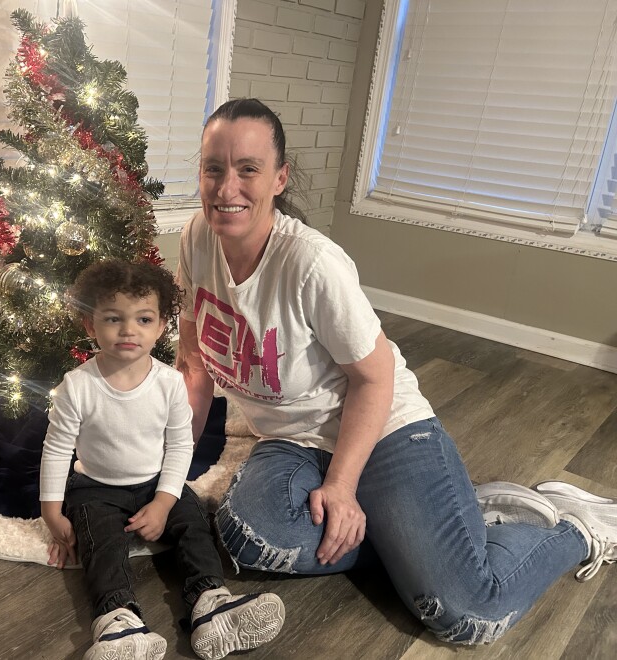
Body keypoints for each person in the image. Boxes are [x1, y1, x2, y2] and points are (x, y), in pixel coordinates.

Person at [175, 97, 616, 645]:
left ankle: (571, 524)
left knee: (467, 612)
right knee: (245, 535)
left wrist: (340, 487)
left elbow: (374, 378)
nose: (226, 188)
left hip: (383, 428)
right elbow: (193, 362)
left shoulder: (311, 264)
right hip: (293, 439)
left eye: (248, 169)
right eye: (213, 168)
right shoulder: (197, 237)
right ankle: (438, 531)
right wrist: (170, 469)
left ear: (279, 178)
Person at [40, 259, 285, 660]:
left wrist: (164, 501)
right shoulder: (77, 386)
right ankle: (118, 622)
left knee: (195, 525)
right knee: (100, 543)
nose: (128, 330)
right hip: (97, 488)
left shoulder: (170, 383)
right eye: (113, 319)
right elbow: (56, 449)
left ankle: (211, 601)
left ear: (160, 326)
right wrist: (52, 513)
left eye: (143, 319)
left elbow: (180, 447)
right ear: (90, 325)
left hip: (157, 481)